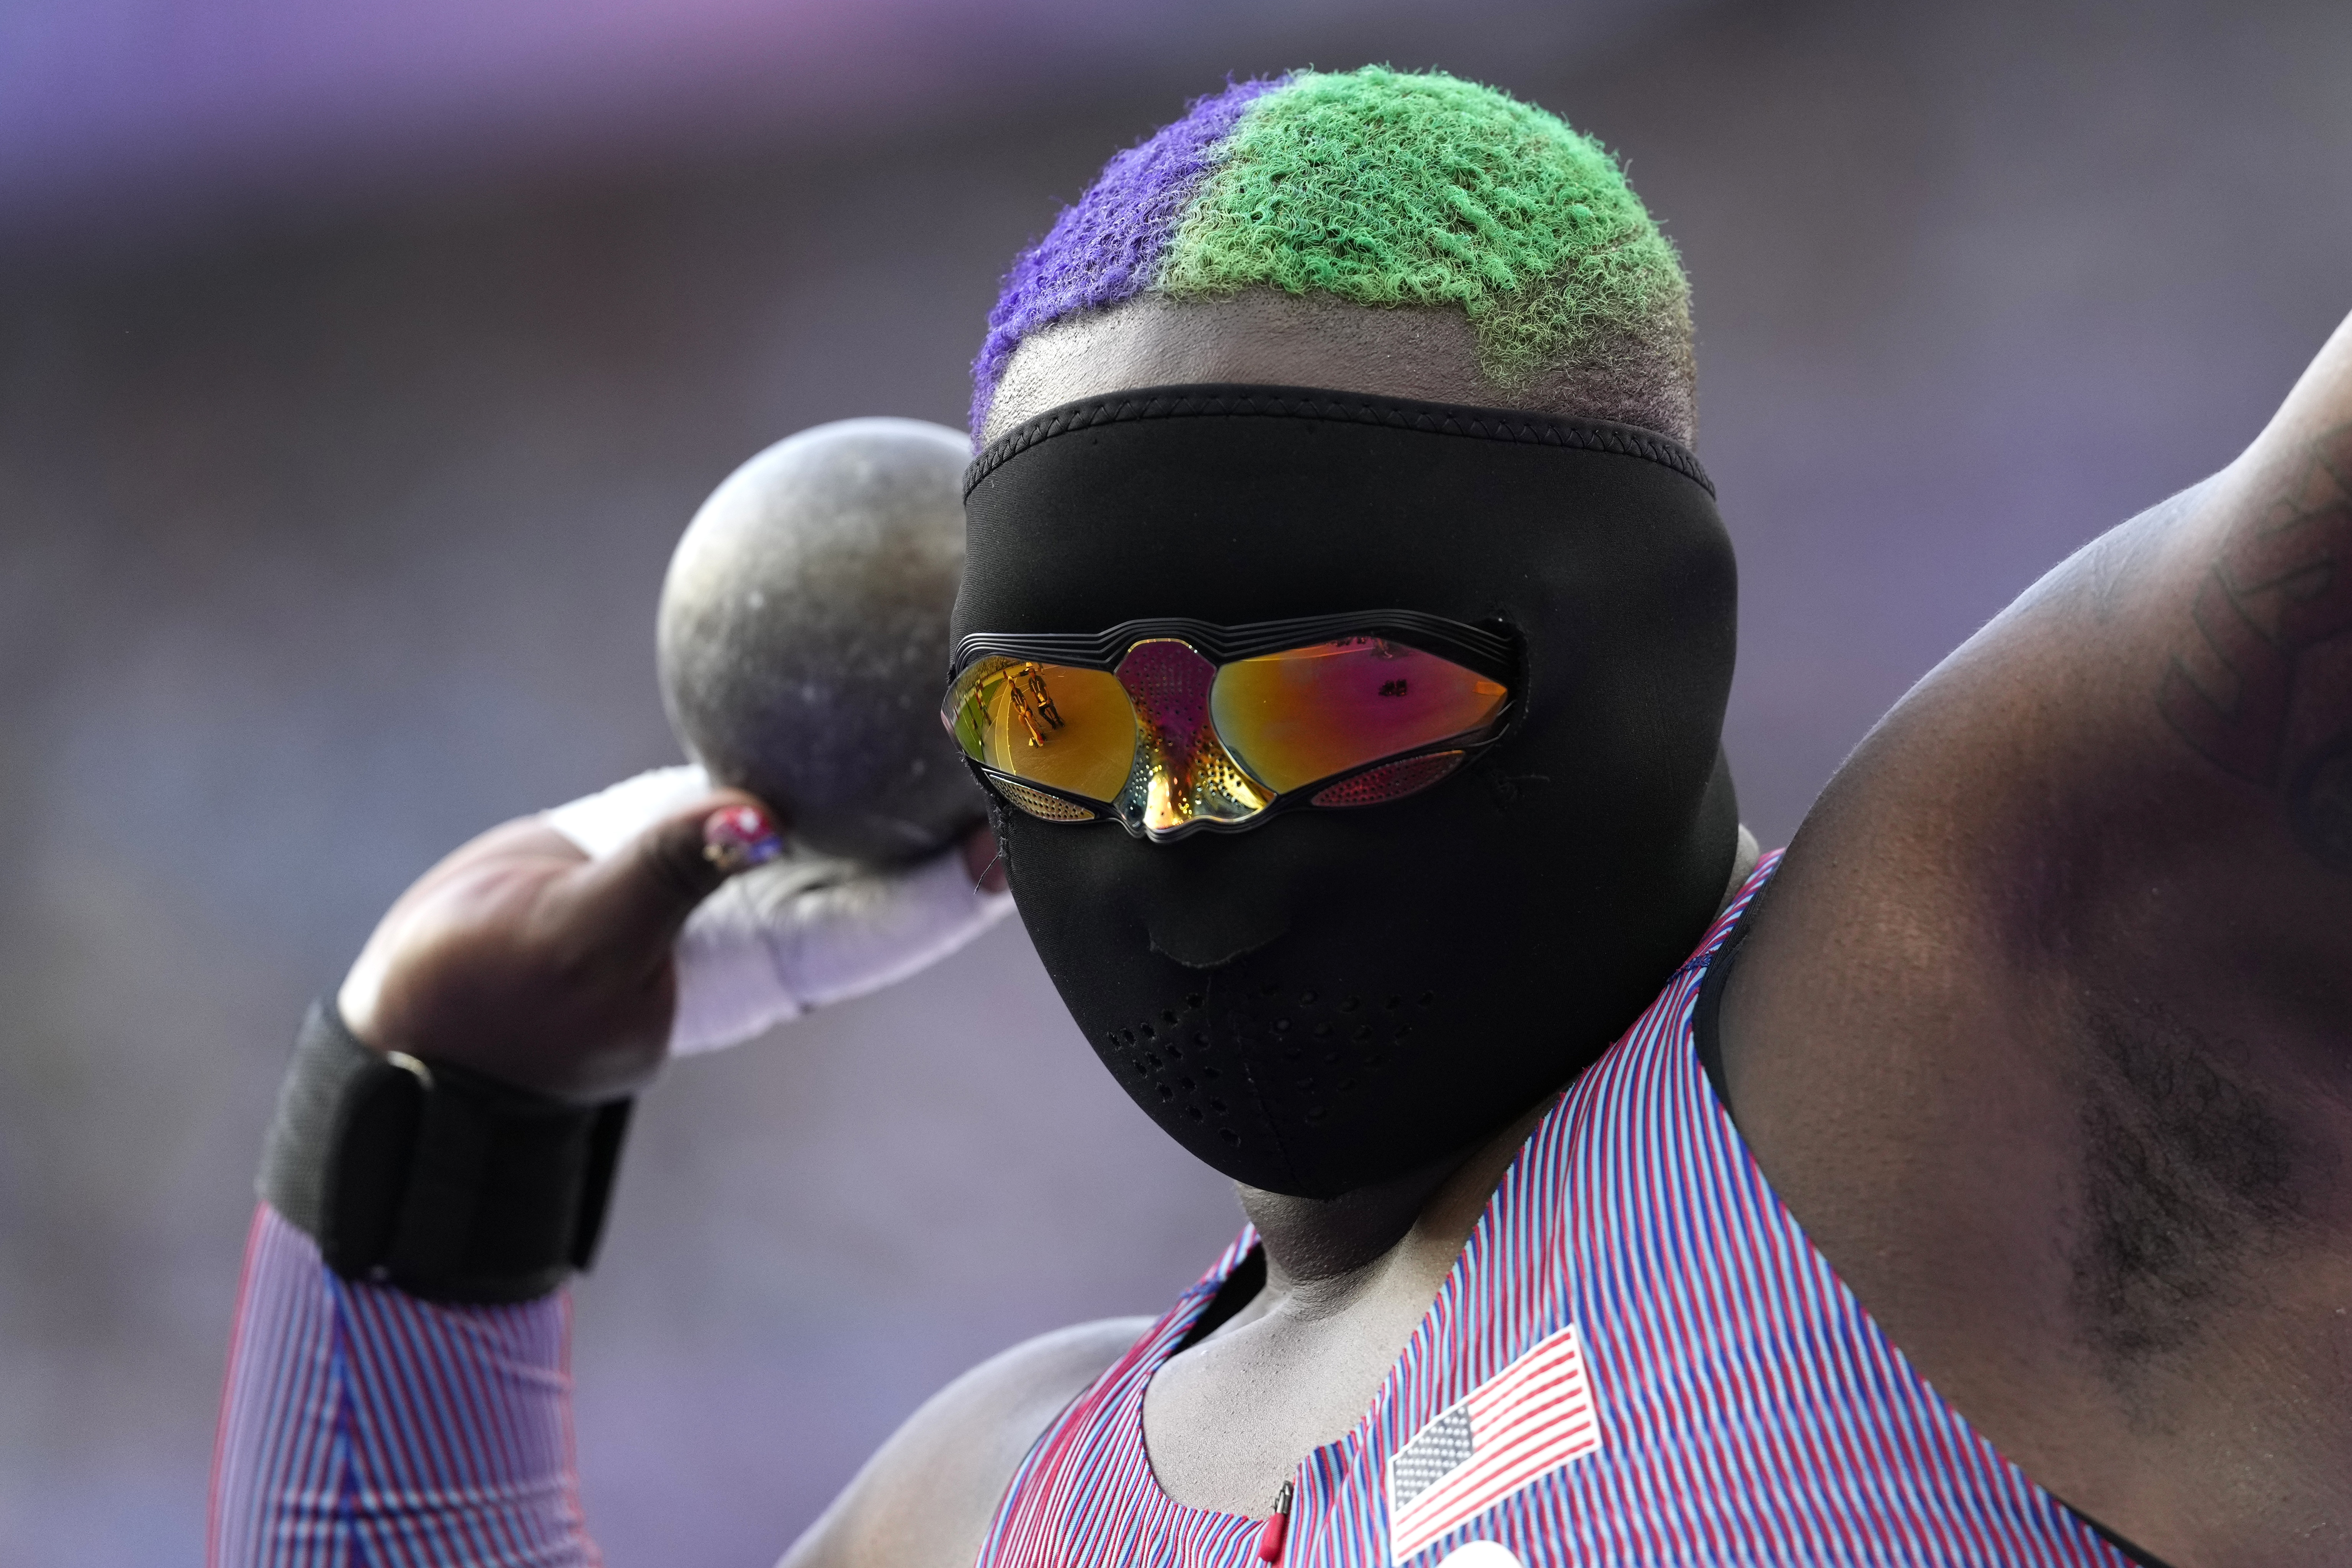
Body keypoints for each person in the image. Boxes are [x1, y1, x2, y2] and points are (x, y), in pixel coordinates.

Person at [211, 66, 2352, 1568]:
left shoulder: (1981, 1030)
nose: (1182, 818)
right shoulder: (993, 1502)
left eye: (1346, 697)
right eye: (1057, 725)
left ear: (1652, 644)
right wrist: (431, 1137)